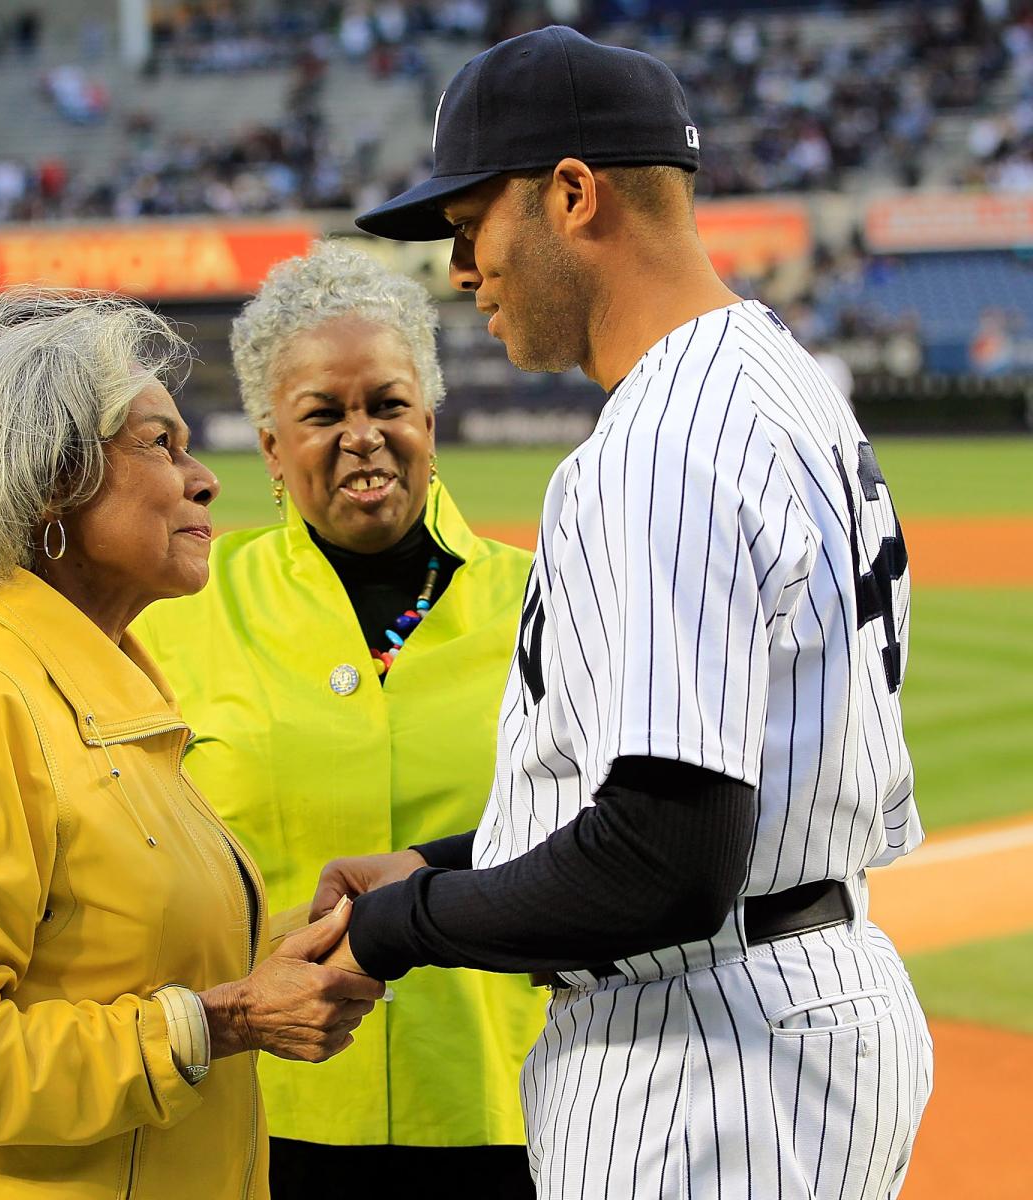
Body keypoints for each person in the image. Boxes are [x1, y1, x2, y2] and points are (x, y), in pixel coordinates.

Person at [314, 26, 933, 1199]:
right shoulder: (781, 381)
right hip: (789, 1012)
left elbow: (662, 859)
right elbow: (675, 789)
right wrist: (438, 866)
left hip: (704, 1059)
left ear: (573, 195)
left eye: (469, 227)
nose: (461, 271)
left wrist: (399, 932)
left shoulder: (658, 449)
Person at [0, 289, 383, 1200]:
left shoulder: (101, 676)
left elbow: (119, 959)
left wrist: (330, 927)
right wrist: (226, 1023)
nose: (204, 478)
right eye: (158, 444)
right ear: (52, 479)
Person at [133, 241, 542, 1199]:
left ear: (430, 421)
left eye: (387, 405)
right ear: (272, 446)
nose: (361, 435)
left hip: (506, 1106)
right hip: (259, 1112)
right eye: (323, 413)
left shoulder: (548, 602)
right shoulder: (178, 610)